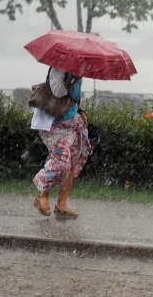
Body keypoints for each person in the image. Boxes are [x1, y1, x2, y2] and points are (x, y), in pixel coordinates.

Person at [31, 67, 91, 219]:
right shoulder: (58, 69)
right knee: (61, 163)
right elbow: (57, 92)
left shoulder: (76, 71)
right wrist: (73, 79)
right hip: (53, 124)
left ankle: (61, 203)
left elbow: (72, 97)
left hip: (71, 122)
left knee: (72, 162)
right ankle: (42, 196)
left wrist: (80, 110)